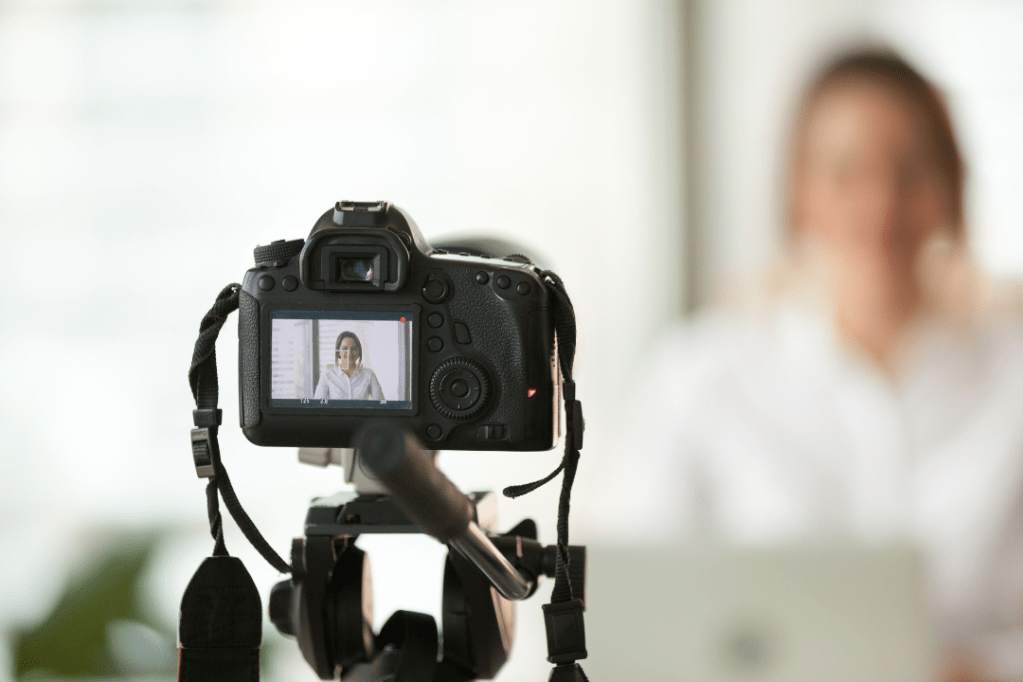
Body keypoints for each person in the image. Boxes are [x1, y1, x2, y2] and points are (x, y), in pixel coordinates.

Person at [617, 49, 1023, 681]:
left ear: (951, 186)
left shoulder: (1012, 379)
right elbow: (632, 616)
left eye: (910, 170)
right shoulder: (702, 376)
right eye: (845, 171)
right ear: (798, 193)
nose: (880, 203)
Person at [313, 331, 385, 401]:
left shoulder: (369, 375)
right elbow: (317, 405)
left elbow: (380, 403)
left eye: (353, 348)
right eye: (345, 349)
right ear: (338, 353)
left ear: (358, 352)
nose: (349, 353)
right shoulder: (327, 375)